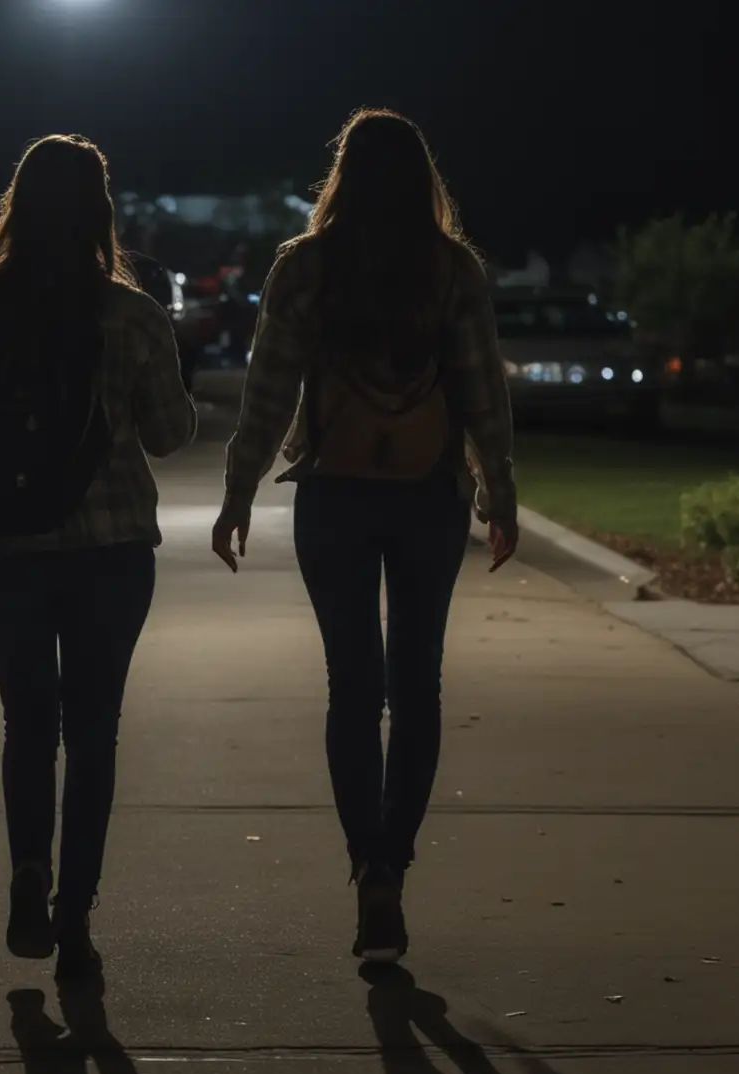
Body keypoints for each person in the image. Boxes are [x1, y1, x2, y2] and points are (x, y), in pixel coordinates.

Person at [209, 109, 517, 964]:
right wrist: (500, 491)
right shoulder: (452, 269)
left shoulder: (306, 267)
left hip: (336, 494)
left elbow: (268, 391)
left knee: (353, 684)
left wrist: (238, 492)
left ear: (343, 175)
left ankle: (365, 864)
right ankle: (394, 862)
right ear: (423, 178)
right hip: (427, 495)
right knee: (417, 682)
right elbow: (482, 392)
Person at [0, 134, 197, 983]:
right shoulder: (132, 314)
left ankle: (30, 871)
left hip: (6, 550)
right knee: (95, 731)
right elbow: (169, 437)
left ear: (17, 209)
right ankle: (76, 920)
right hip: (113, 551)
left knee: (30, 723)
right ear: (102, 212)